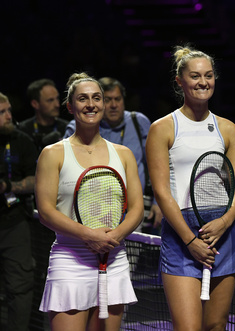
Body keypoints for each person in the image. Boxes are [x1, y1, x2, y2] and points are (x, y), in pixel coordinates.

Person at [145, 45, 235, 331]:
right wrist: (190, 240)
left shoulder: (227, 128)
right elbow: (162, 193)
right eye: (195, 76)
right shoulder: (163, 128)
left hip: (222, 231)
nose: (203, 82)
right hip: (181, 234)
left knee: (216, 325)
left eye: (209, 75)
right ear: (180, 81)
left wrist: (224, 222)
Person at [35, 72, 143, 330]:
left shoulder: (124, 154)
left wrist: (113, 237)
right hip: (70, 260)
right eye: (83, 99)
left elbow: (137, 208)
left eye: (97, 98)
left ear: (104, 104)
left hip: (113, 259)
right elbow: (46, 211)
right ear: (70, 106)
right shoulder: (52, 154)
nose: (91, 104)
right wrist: (89, 235)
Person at [63, 77, 162, 232]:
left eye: (118, 99)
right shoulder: (79, 127)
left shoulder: (138, 122)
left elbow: (156, 165)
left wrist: (158, 202)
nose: (114, 105)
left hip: (135, 209)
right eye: (108, 100)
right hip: (92, 208)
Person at [0, 92, 37, 331]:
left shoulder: (22, 141)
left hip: (13, 224)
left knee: (20, 289)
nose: (9, 116)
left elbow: (37, 180)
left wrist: (9, 186)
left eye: (9, 110)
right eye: (2, 113)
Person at [18, 78, 69, 153]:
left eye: (57, 98)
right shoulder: (23, 131)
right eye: (50, 100)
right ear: (35, 104)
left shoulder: (67, 128)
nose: (57, 105)